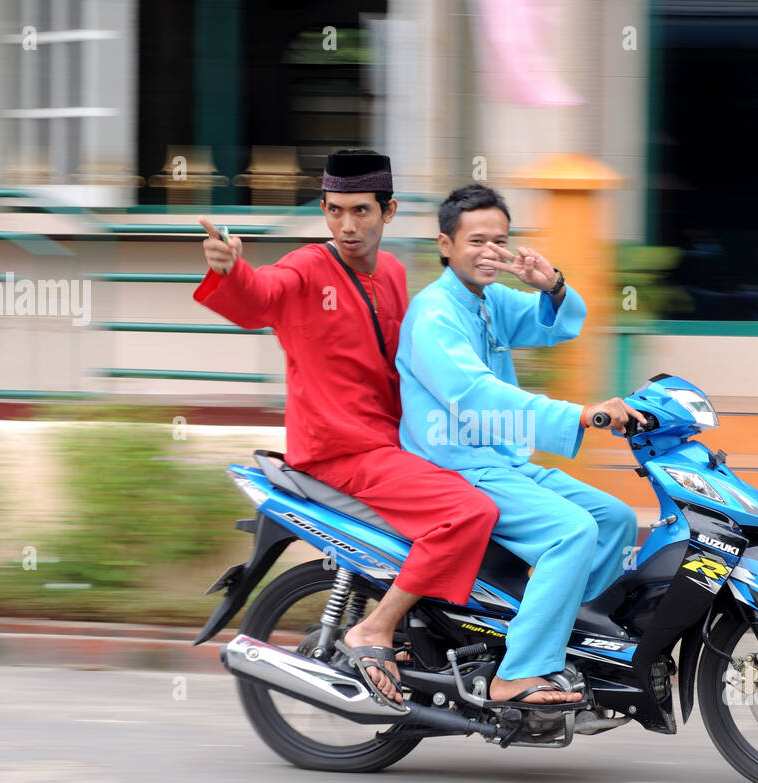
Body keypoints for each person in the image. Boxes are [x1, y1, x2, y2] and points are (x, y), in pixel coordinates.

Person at [192, 150, 499, 709]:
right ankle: (375, 629)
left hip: (395, 444)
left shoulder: (395, 273)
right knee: (468, 513)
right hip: (339, 452)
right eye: (335, 211)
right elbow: (260, 296)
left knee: (499, 492)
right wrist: (228, 268)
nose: (347, 226)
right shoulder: (307, 268)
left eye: (361, 211)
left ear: (389, 211)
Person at [396, 184, 645, 707]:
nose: (490, 252)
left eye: (500, 241)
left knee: (615, 519)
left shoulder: (486, 302)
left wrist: (551, 284)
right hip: (457, 465)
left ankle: (567, 641)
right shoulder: (435, 314)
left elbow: (553, 326)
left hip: (502, 463)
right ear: (445, 244)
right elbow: (477, 396)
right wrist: (581, 414)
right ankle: (517, 673)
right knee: (571, 532)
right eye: (476, 240)